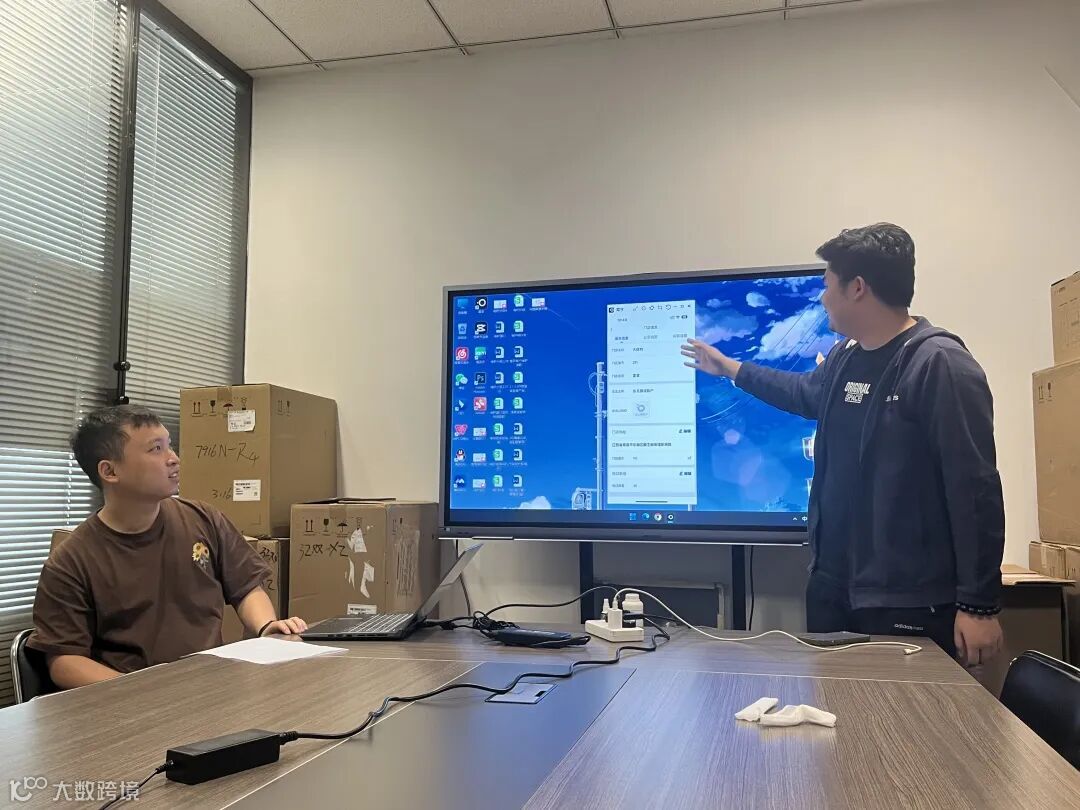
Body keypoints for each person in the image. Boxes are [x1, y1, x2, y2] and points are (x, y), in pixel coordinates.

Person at [681, 223, 1005, 666]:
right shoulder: (846, 357)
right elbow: (804, 393)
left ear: (857, 288)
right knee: (834, 707)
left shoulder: (939, 365)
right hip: (833, 591)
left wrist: (979, 605)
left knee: (899, 713)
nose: (822, 297)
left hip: (908, 602)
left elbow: (975, 490)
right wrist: (731, 369)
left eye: (827, 284)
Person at [28, 405, 308, 689]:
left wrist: (265, 627)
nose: (173, 459)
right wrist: (144, 691)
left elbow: (246, 588)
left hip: (210, 687)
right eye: (156, 449)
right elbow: (64, 663)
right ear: (109, 471)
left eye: (169, 445)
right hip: (133, 699)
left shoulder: (203, 519)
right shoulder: (71, 560)